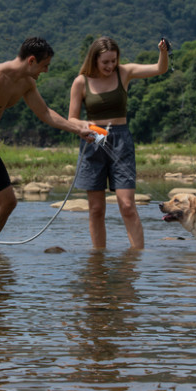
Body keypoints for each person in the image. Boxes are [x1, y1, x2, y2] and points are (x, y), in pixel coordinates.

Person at [0, 37, 95, 255]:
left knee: (9, 202)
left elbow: (45, 113)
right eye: (44, 65)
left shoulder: (26, 82)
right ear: (31, 61)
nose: (46, 70)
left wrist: (77, 130)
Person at [68, 36, 170, 249]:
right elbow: (72, 119)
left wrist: (163, 52)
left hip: (121, 140)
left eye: (113, 61)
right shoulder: (81, 82)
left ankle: (137, 256)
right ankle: (98, 258)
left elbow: (159, 69)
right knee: (96, 209)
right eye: (105, 62)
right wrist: (84, 125)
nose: (110, 66)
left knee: (127, 205)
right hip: (93, 141)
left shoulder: (124, 72)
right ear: (94, 60)